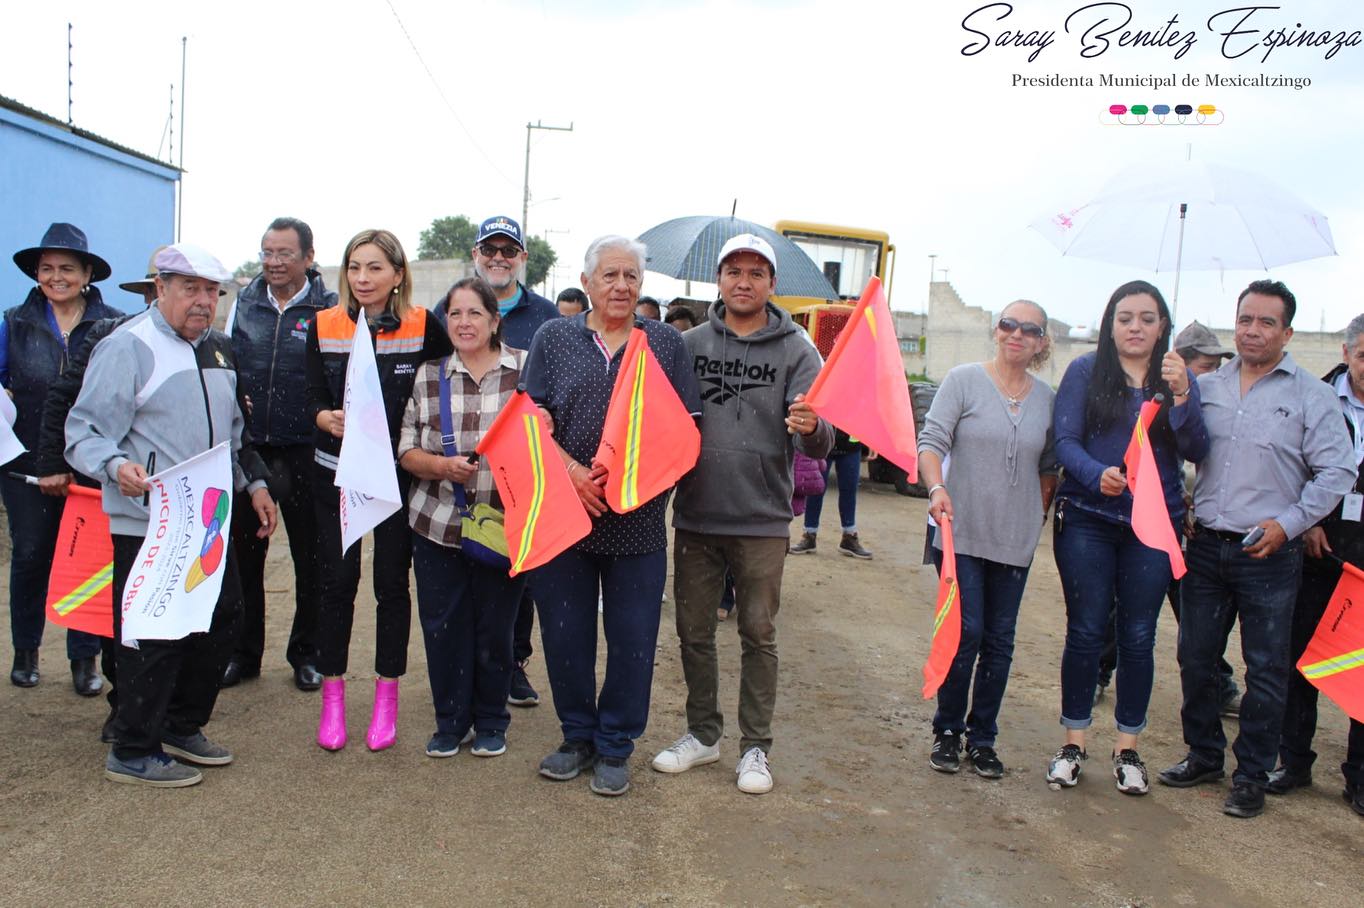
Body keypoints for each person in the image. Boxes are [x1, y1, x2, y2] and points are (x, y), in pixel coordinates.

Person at [65, 243, 278, 787]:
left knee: (222, 618)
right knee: (155, 632)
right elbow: (84, 433)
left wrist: (253, 483)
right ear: (159, 288)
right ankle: (133, 747)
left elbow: (233, 435)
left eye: (212, 291)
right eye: (190, 288)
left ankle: (182, 725)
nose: (204, 301)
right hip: (149, 521)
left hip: (210, 518)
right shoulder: (127, 347)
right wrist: (115, 467)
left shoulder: (219, 350)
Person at [1158, 279, 1355, 820]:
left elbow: (1338, 470)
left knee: (1267, 669)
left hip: (1270, 553)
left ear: (1287, 332)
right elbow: (1183, 450)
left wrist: (1289, 524)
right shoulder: (1208, 386)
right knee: (1196, 658)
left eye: (1267, 322)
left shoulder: (1310, 396)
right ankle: (1203, 754)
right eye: (1245, 319)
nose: (1253, 330)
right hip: (1207, 547)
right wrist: (1178, 394)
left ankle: (1251, 776)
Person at [650, 233, 832, 795]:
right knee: (694, 632)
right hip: (698, 513)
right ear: (719, 281)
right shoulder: (691, 343)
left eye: (756, 273)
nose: (744, 282)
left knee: (758, 633)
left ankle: (756, 748)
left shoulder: (798, 349)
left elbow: (824, 440)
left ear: (772, 284)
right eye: (734, 272)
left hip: (761, 519)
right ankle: (703, 736)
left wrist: (812, 427)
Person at [521, 235, 701, 796]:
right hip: (565, 516)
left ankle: (616, 744)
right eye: (610, 276)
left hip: (638, 520)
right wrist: (573, 473)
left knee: (633, 640)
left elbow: (684, 428)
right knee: (566, 633)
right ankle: (577, 735)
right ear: (590, 280)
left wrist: (631, 484)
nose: (621, 286)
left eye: (631, 276)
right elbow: (533, 421)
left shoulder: (665, 343)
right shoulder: (555, 337)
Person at [1045, 281, 1209, 795]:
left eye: (1147, 317)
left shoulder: (1174, 378)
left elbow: (1196, 446)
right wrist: (1097, 474)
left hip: (1152, 523)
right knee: (1087, 629)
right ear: (1109, 323)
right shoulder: (1084, 371)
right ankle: (1074, 741)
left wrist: (1182, 393)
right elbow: (1065, 441)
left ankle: (1128, 747)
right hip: (1089, 516)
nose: (1135, 327)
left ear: (1163, 325)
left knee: (1140, 636)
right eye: (1125, 317)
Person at [307, 229, 453, 753]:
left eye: (374, 268)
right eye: (353, 267)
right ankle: (333, 699)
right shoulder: (324, 323)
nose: (362, 278)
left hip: (397, 478)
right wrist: (324, 416)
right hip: (336, 477)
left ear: (397, 275)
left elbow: (443, 387)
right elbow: (310, 396)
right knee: (337, 584)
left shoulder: (422, 324)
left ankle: (386, 699)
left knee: (391, 587)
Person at [917, 300, 1058, 779]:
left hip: (1015, 539)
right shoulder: (962, 380)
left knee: (1000, 640)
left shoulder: (1048, 398)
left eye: (1029, 329)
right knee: (966, 632)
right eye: (1008, 324)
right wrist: (936, 488)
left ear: (1041, 342)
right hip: (960, 532)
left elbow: (1049, 468)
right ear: (996, 330)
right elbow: (931, 441)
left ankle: (983, 738)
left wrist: (1038, 513)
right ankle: (948, 731)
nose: (1016, 333)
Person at [398, 277, 529, 759]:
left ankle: (492, 719)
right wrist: (440, 467)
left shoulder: (525, 371)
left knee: (497, 626)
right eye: (455, 314)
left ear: (495, 321)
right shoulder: (430, 375)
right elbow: (405, 447)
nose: (464, 322)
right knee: (443, 626)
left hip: (506, 526)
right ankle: (450, 721)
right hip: (436, 522)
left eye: (475, 313)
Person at [2, 223, 121, 694]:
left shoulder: (113, 323)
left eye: (67, 269)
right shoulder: (13, 321)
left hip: (90, 463)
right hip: (24, 461)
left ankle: (85, 659)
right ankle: (26, 651)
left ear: (87, 273)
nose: (56, 277)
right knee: (31, 555)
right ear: (36, 274)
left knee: (87, 560)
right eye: (47, 269)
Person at [223, 217, 335, 692]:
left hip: (309, 450)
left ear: (308, 258)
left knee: (312, 558)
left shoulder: (329, 309)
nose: (273, 262)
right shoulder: (242, 304)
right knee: (244, 556)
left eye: (284, 253)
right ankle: (242, 653)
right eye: (267, 252)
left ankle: (306, 654)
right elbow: (227, 364)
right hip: (254, 451)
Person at [1265, 313, 1364, 817]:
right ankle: (1294, 761)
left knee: (1362, 669)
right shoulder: (1314, 397)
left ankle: (1360, 775)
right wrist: (1309, 522)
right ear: (1347, 353)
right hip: (1316, 548)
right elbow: (1295, 464)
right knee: (1299, 657)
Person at [463, 215, 558, 708]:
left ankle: (515, 662)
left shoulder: (544, 315)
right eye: (489, 249)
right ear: (476, 254)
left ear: (523, 258)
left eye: (508, 250)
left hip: (524, 462)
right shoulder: (453, 308)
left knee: (520, 569)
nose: (498, 257)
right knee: (472, 564)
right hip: (467, 460)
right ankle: (471, 664)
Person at [788, 429, 873, 558]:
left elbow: (867, 414)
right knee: (815, 489)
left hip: (851, 444)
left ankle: (849, 536)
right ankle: (809, 535)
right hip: (823, 443)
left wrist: (872, 441)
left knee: (849, 490)